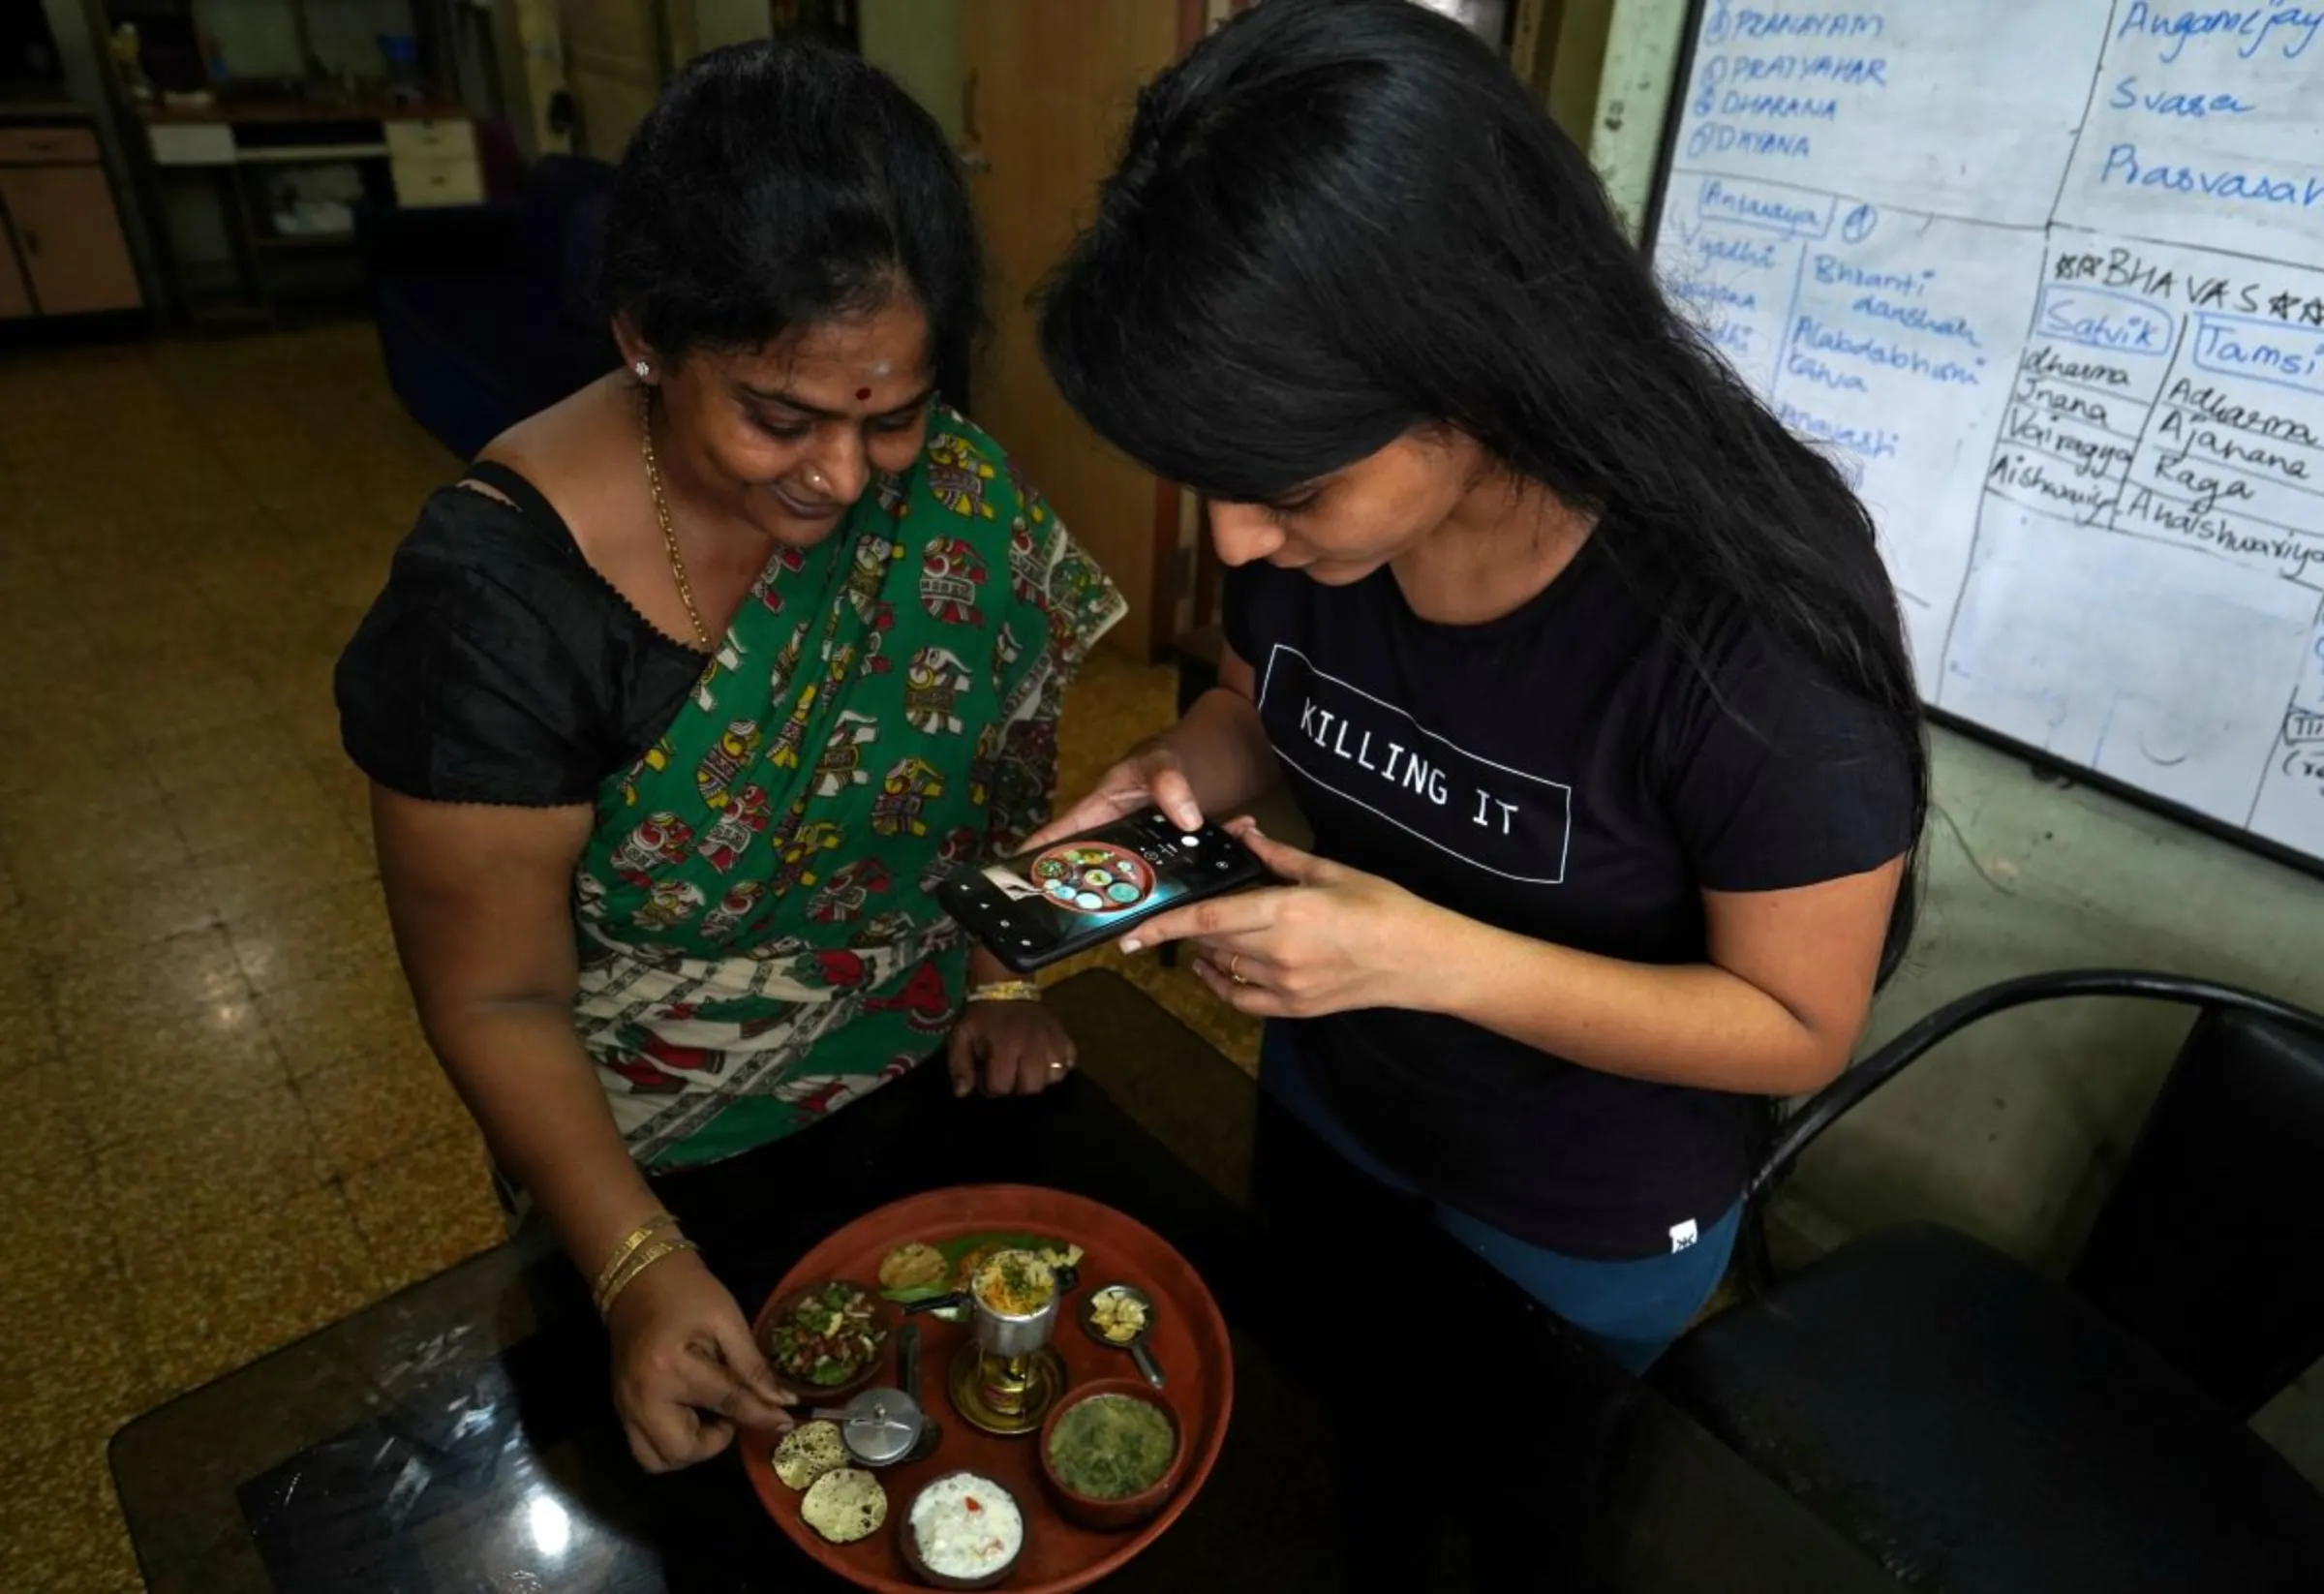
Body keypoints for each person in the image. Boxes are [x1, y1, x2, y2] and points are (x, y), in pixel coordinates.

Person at [1031, 0, 1924, 1370]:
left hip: (1580, 1204)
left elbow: (1799, 1026)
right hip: (1337, 1091)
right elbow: (1259, 700)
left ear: (1472, 375)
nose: (1233, 541)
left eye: (1285, 490)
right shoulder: (1309, 510)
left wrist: (1427, 957)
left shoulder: (1750, 620)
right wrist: (1183, 773)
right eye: (1212, 482)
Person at [336, 42, 1123, 1470]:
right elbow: (498, 992)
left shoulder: (940, 482)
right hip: (646, 1152)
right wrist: (636, 1264)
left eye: (889, 412)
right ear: (645, 336)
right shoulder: (494, 605)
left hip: (927, 1060)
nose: (844, 474)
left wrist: (1007, 964)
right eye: (781, 416)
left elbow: (1007, 734)